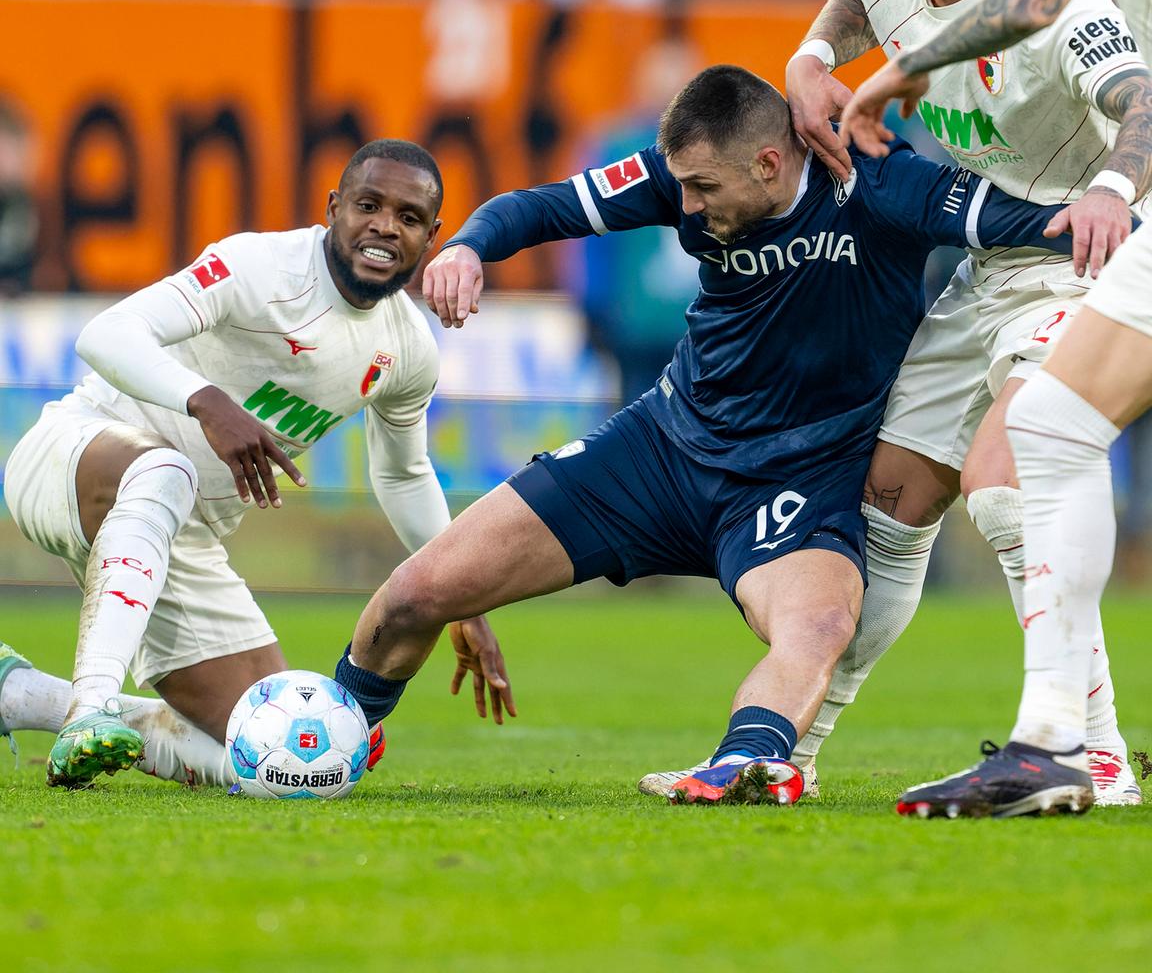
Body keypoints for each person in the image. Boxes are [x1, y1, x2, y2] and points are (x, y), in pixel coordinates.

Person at [331, 64, 1094, 806]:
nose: (686, 207)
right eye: (682, 186)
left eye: (703, 189)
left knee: (820, 623)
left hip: (801, 478)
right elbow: (544, 207)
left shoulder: (884, 183)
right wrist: (467, 246)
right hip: (659, 452)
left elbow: (1025, 221)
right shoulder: (679, 175)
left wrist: (1119, 213)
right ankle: (331, 733)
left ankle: (746, 765)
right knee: (420, 592)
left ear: (768, 163)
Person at [783, 0, 1152, 807]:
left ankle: (1094, 753)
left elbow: (1144, 101)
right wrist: (812, 55)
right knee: (892, 498)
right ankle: (792, 751)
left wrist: (1116, 192)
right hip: (986, 268)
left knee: (1009, 472)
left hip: (1077, 257)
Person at [0, 139, 506, 789]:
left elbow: (403, 475)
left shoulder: (406, 350)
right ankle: (91, 705)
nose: (385, 226)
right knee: (166, 473)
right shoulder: (260, 269)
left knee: (282, 765)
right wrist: (208, 403)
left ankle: (25, 697)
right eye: (369, 205)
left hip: (184, 544)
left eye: (409, 218)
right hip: (72, 459)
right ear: (333, 208)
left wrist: (461, 593)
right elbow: (104, 333)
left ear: (431, 236)